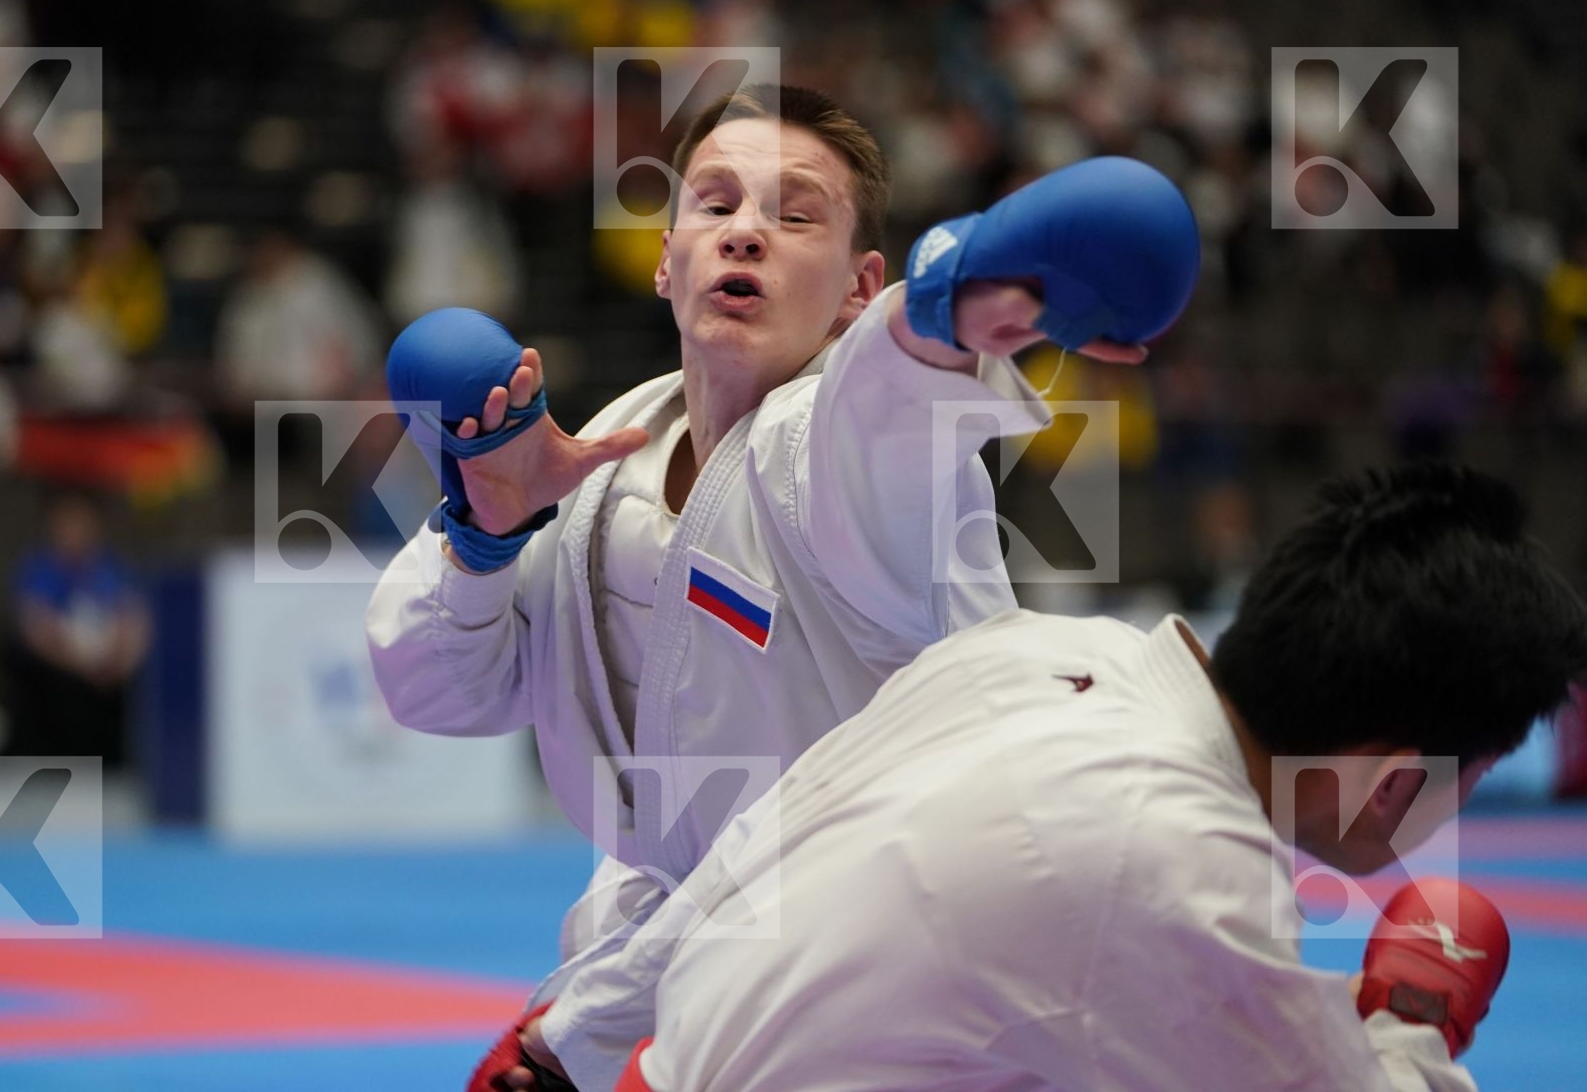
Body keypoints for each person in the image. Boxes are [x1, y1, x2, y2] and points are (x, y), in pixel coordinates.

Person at [365, 83, 1199, 1085]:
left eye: (796, 214)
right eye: (715, 205)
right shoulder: (597, 478)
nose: (747, 232)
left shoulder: (844, 455)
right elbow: (436, 693)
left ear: (858, 287)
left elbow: (890, 401)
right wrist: (484, 540)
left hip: (905, 985)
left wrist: (952, 308)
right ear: (666, 262)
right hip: (690, 971)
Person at [522, 464, 1587, 1091]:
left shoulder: (1022, 650)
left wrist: (565, 1042)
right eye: (1469, 780)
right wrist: (1414, 1017)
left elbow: (746, 861)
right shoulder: (1186, 871)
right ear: (1392, 782)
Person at [5, 491, 149, 765]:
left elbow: (134, 619)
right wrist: (82, 666)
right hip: (62, 671)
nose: (74, 530)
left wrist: (120, 662)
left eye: (81, 522)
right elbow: (36, 629)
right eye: (67, 522)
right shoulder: (39, 568)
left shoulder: (112, 568)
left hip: (109, 672)